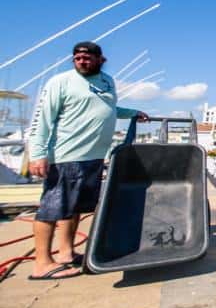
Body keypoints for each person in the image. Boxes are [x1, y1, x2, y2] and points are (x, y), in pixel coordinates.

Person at [26, 41, 148, 280]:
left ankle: (66, 253)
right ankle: (42, 263)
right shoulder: (60, 82)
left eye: (87, 57)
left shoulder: (107, 82)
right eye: (77, 58)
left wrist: (132, 112)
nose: (82, 61)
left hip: (93, 157)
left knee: (74, 210)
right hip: (65, 156)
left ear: (100, 59)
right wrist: (38, 154)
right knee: (51, 210)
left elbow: (108, 108)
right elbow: (43, 120)